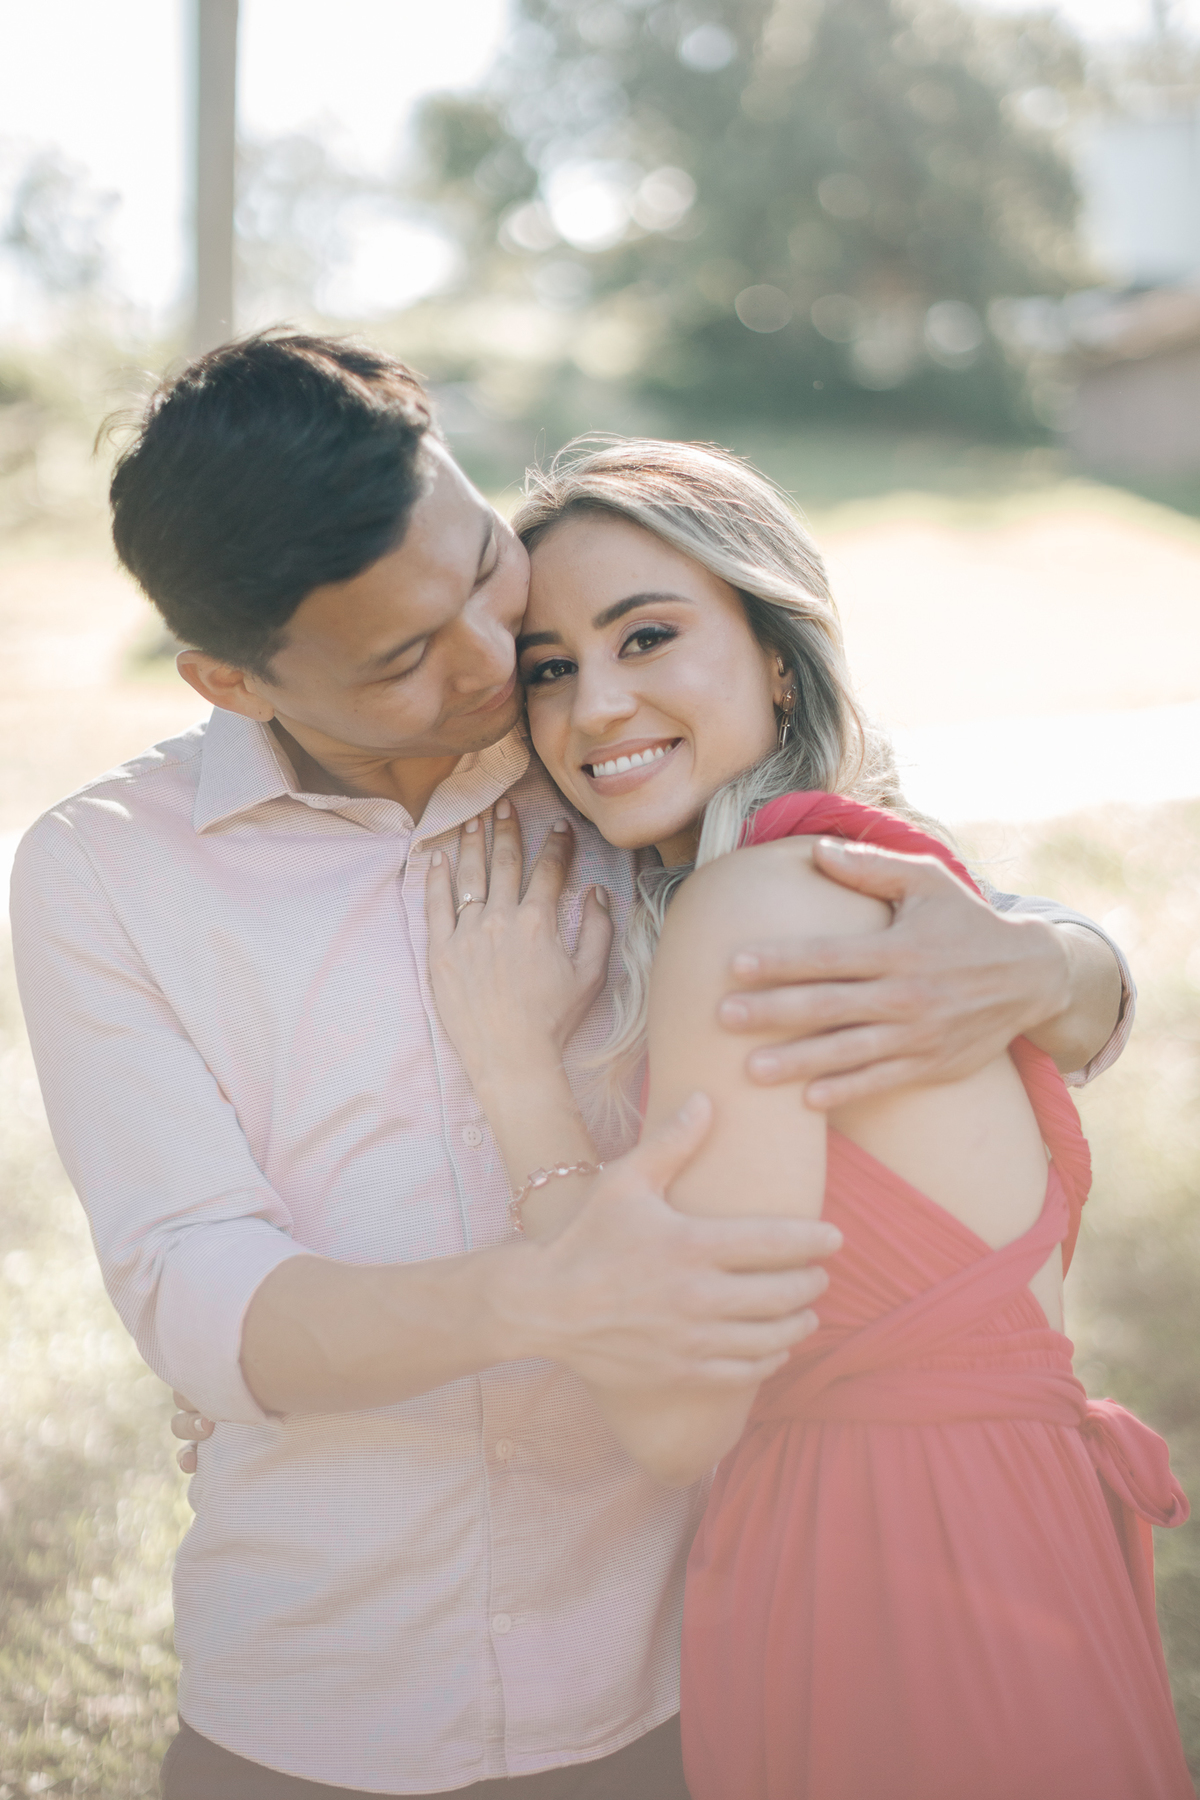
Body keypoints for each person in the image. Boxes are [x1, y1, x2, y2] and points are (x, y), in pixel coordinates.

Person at [9, 332, 1133, 1799]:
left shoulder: (609, 764)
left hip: (665, 1671)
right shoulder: (104, 873)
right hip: (325, 1689)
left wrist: (1060, 963)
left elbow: (887, 884)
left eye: (485, 570)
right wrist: (539, 1298)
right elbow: (193, 1284)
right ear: (232, 679)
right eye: (405, 658)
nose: (497, 666)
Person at [419, 436, 1192, 1799]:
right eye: (550, 667)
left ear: (779, 657)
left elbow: (677, 1414)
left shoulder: (751, 908)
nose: (597, 705)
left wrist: (513, 1076)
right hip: (1014, 1548)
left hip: (898, 1575)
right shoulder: (874, 873)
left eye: (646, 636)